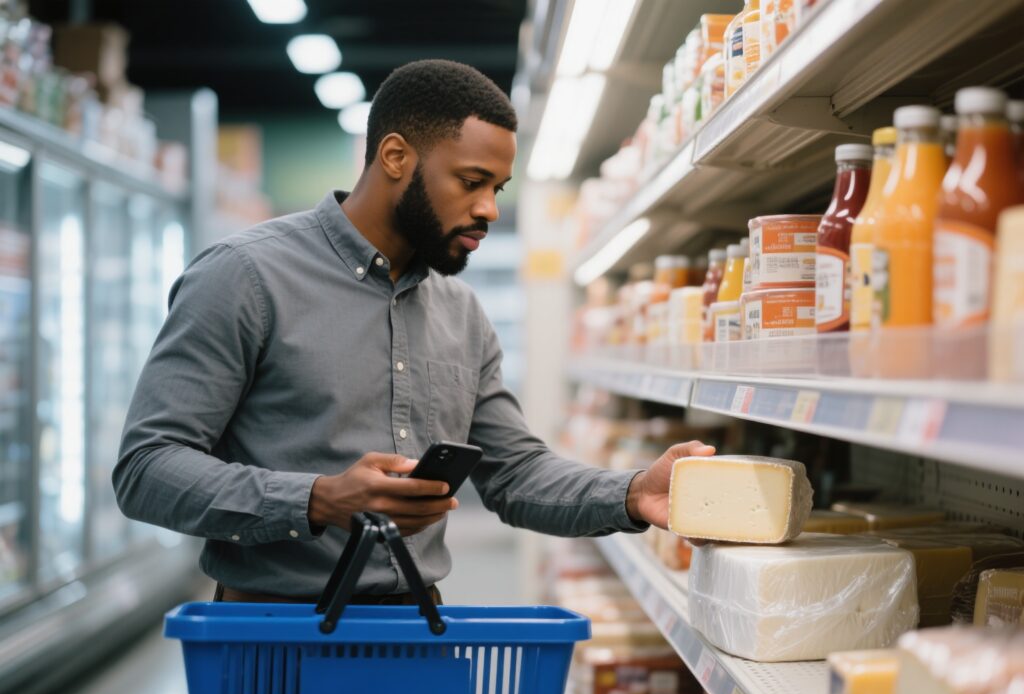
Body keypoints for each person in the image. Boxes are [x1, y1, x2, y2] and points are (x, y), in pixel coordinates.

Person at [113, 59, 715, 604]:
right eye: (472, 181)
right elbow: (147, 467)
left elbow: (516, 473)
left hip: (417, 628)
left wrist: (634, 492)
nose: (490, 209)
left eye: (497, 189)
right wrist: (317, 498)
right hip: (274, 637)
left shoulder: (462, 313)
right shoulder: (245, 277)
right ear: (396, 157)